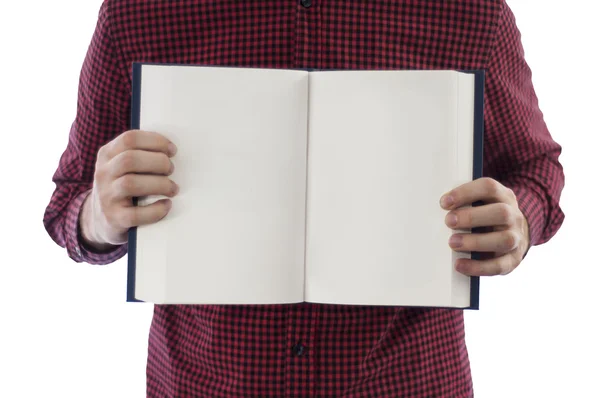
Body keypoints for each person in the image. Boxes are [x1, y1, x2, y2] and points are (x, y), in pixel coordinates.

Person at [43, 0, 565, 396]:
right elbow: (68, 202)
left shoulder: (468, 10)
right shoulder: (140, 11)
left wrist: (519, 218)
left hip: (407, 378)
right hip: (203, 382)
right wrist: (97, 214)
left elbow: (535, 169)